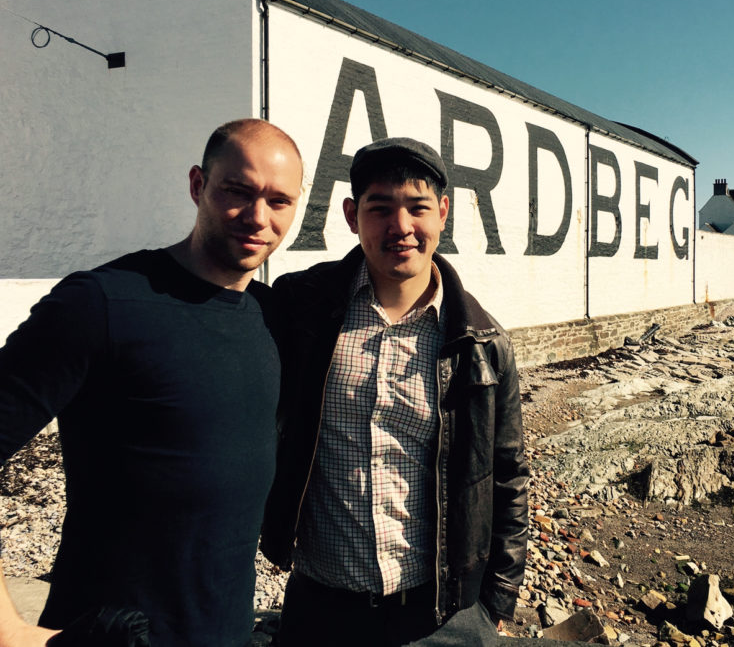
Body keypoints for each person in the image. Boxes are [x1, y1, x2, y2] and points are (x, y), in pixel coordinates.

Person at [0, 119, 304, 647]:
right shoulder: (101, 304)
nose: (259, 217)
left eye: (279, 201)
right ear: (197, 185)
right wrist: (11, 632)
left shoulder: (271, 317)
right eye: (238, 191)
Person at [262, 138, 529, 646]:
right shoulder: (301, 310)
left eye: (417, 208)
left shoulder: (483, 343)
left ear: (443, 213)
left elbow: (508, 475)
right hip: (320, 606)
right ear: (352, 215)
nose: (400, 226)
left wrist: (497, 599)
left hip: (440, 615)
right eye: (380, 208)